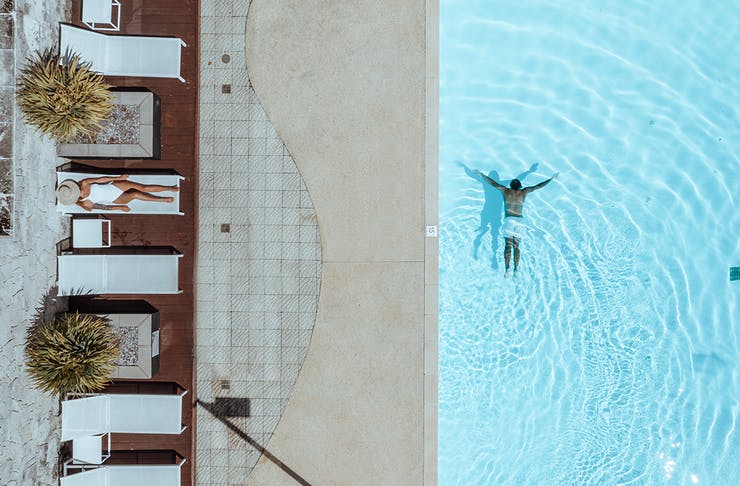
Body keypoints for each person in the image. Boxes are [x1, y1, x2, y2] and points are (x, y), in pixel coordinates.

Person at [476, 170, 558, 277]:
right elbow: (538, 186)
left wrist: (481, 174)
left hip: (509, 220)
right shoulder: (524, 191)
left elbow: (493, 183)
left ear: (510, 185)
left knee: (508, 246)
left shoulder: (505, 190)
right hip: (519, 221)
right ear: (520, 186)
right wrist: (551, 179)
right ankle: (516, 269)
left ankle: (507, 268)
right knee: (516, 246)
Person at [55, 175, 178, 211]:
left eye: (77, 189)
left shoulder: (85, 183)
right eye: (78, 194)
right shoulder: (85, 203)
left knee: (142, 187)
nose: (81, 192)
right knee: (135, 194)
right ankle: (163, 200)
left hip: (113, 186)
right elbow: (104, 207)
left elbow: (101, 179)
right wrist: (119, 207)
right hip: (116, 199)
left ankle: (170, 188)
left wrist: (118, 178)